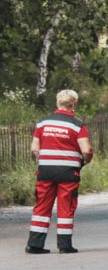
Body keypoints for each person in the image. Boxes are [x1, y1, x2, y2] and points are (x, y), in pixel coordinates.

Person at [26, 89, 93, 254]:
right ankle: (64, 245)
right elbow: (86, 150)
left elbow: (35, 148)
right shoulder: (77, 125)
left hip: (45, 171)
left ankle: (35, 245)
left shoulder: (42, 123)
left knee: (42, 206)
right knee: (66, 207)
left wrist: (44, 160)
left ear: (57, 103)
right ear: (73, 104)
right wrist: (85, 160)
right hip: (68, 172)